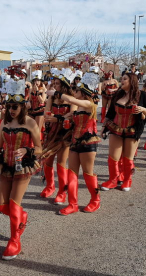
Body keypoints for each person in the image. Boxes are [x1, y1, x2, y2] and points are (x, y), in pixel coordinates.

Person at [0, 78, 41, 260]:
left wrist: (27, 149)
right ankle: (21, 217)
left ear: (22, 107)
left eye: (15, 106)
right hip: (6, 165)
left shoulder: (31, 123)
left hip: (23, 166)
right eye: (9, 106)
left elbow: (40, 148)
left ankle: (14, 241)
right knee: (2, 204)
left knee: (14, 203)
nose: (11, 110)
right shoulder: (4, 123)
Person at [58, 70, 101, 215]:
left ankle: (95, 200)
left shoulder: (89, 104)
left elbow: (71, 100)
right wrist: (67, 118)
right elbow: (73, 111)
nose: (74, 91)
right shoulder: (79, 107)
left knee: (88, 173)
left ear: (83, 92)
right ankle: (72, 204)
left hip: (88, 142)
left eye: (76, 90)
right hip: (75, 141)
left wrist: (56, 94)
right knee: (72, 173)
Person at [101, 73, 146, 192]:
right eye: (121, 79)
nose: (121, 81)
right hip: (116, 128)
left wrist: (143, 109)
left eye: (124, 79)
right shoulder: (118, 94)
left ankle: (127, 180)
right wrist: (104, 128)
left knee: (128, 158)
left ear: (132, 81)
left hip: (133, 129)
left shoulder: (142, 95)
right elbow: (110, 113)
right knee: (113, 157)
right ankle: (113, 180)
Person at [40, 68, 77, 203]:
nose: (54, 86)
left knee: (61, 163)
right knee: (48, 161)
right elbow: (46, 112)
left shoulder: (71, 98)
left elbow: (72, 114)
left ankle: (62, 191)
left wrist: (58, 118)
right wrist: (50, 117)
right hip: (51, 133)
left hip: (65, 133)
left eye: (57, 84)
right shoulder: (52, 97)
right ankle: (50, 186)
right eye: (54, 83)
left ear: (64, 85)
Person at [28, 70, 47, 141]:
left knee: (37, 129)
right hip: (31, 110)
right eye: (35, 80)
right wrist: (28, 102)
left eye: (38, 80)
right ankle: (30, 144)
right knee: (30, 128)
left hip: (40, 110)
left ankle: (38, 145)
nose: (37, 82)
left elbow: (42, 101)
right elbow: (30, 99)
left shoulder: (44, 89)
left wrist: (37, 92)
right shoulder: (31, 89)